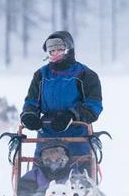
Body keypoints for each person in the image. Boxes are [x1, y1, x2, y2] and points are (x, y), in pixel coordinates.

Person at [18, 30, 102, 161]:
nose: (54, 53)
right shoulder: (41, 75)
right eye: (51, 50)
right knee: (40, 175)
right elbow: (31, 102)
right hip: (47, 132)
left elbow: (94, 106)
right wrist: (29, 115)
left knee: (78, 176)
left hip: (77, 132)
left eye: (59, 49)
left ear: (68, 49)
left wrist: (71, 115)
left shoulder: (86, 75)